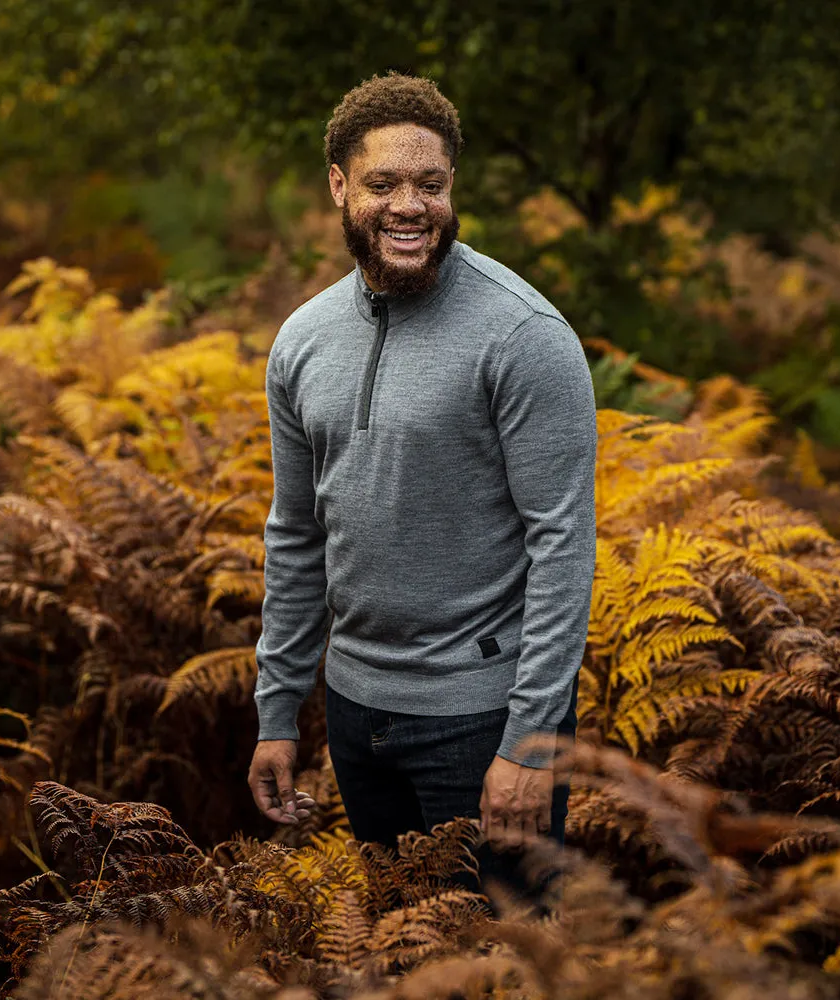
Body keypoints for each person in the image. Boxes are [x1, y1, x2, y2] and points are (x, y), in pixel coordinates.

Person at [247, 72, 597, 911]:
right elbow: (296, 532)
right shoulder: (301, 342)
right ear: (339, 186)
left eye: (430, 185)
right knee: (400, 948)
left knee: (499, 965)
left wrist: (531, 743)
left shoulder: (524, 337)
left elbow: (563, 547)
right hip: (356, 710)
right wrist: (276, 708)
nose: (410, 206)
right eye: (383, 184)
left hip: (482, 723)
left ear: (451, 188)